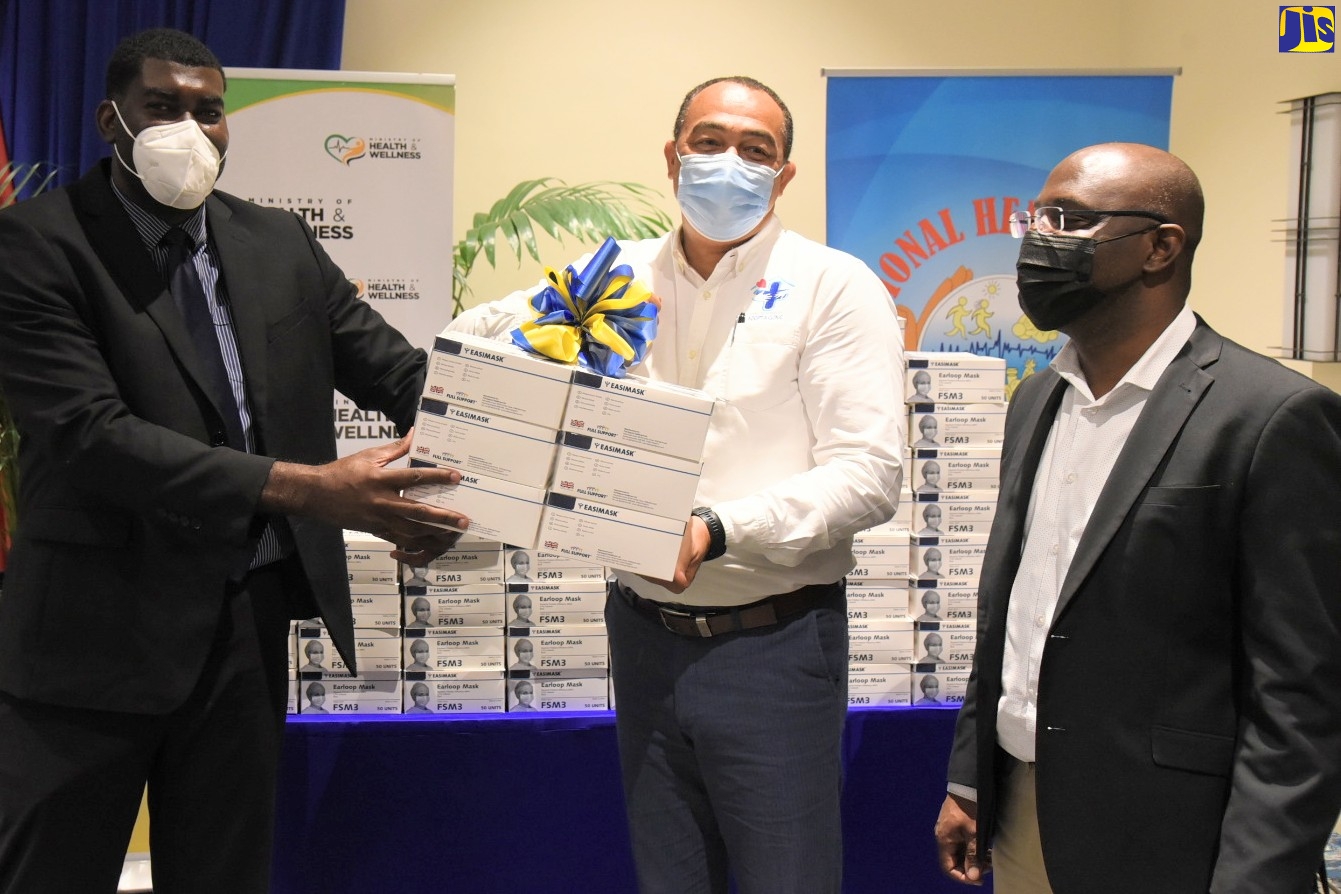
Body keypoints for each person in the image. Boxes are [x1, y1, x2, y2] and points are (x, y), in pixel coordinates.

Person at [0, 30, 474, 892]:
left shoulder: (278, 243)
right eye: (163, 106)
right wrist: (310, 490)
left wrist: (517, 436)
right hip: (91, 638)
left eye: (208, 110)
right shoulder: (36, 245)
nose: (191, 127)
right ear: (112, 119)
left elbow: (399, 374)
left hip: (245, 629)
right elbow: (90, 434)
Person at [450, 75, 904, 894]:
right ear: (672, 155)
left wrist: (714, 528)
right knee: (668, 879)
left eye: (755, 150)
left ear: (784, 174)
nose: (728, 162)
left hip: (774, 646)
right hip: (642, 635)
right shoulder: (610, 277)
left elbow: (868, 477)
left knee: (786, 881)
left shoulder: (832, 286)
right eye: (708, 141)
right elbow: (474, 342)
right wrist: (486, 398)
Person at [934, 143, 1341, 894]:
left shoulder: (1271, 416)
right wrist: (971, 777)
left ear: (1160, 247)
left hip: (1175, 837)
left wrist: (1257, 876)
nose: (1038, 239)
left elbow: (1302, 690)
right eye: (1037, 217)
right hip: (1023, 815)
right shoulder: (1035, 400)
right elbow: (1014, 613)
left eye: (1070, 220)